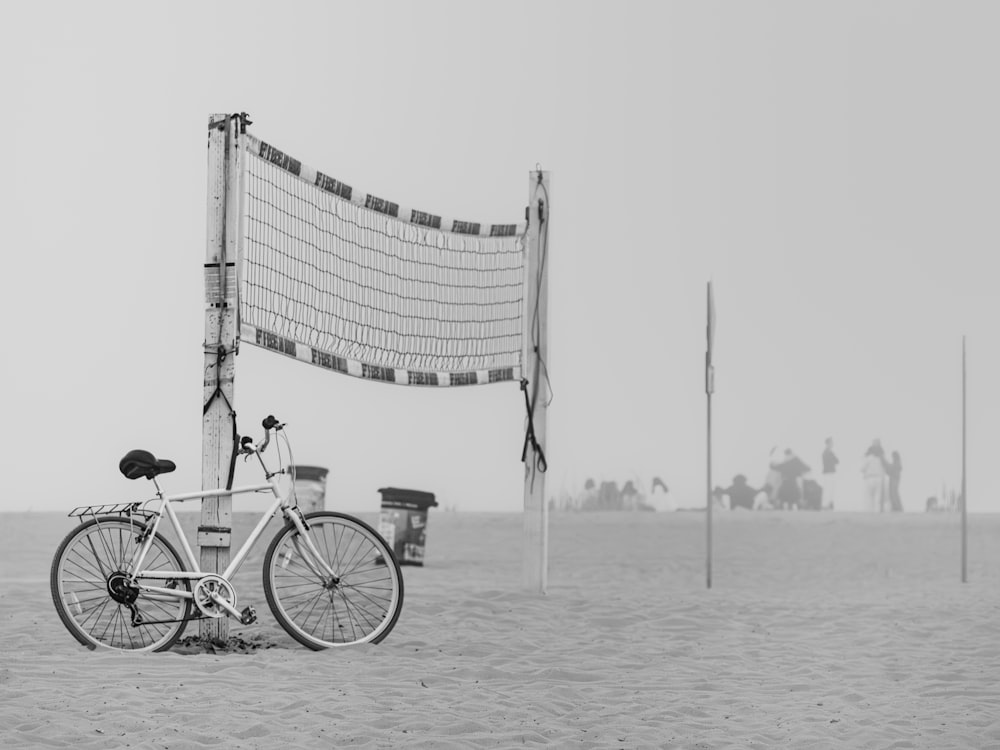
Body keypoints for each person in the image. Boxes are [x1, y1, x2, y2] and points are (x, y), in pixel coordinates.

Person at [861, 439, 887, 512]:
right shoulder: (882, 456)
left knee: (869, 496)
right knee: (877, 497)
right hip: (879, 478)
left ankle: (870, 511)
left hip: (870, 478)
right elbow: (885, 467)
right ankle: (876, 512)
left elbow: (862, 468)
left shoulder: (869, 457)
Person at [820, 437, 839, 510]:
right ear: (828, 443)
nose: (832, 444)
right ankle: (825, 505)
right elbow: (836, 461)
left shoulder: (828, 452)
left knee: (830, 490)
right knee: (828, 490)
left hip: (829, 473)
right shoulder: (827, 452)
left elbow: (837, 461)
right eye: (831, 443)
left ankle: (828, 504)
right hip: (828, 473)